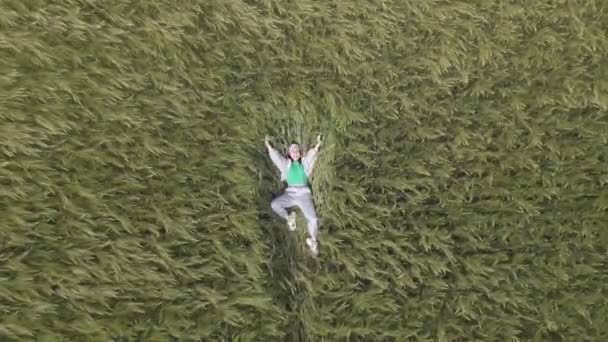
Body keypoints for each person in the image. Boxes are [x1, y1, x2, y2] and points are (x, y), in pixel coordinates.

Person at [265, 134, 322, 256]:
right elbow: (277, 158)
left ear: (300, 153)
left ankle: (313, 240)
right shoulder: (286, 165)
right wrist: (269, 147)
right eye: (292, 151)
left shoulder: (304, 164)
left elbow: (311, 156)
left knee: (313, 218)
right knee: (274, 204)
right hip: (290, 193)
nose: (295, 153)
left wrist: (317, 145)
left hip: (304, 195)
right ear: (289, 153)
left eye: (297, 151)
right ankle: (289, 218)